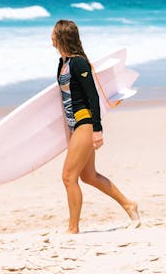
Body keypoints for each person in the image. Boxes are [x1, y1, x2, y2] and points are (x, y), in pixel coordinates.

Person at [51, 19, 140, 234]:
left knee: (68, 177)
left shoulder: (79, 63)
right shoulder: (63, 63)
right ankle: (129, 204)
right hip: (74, 126)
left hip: (85, 123)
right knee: (88, 176)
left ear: (62, 36)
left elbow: (92, 95)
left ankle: (73, 228)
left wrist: (97, 129)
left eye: (54, 33)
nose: (51, 37)